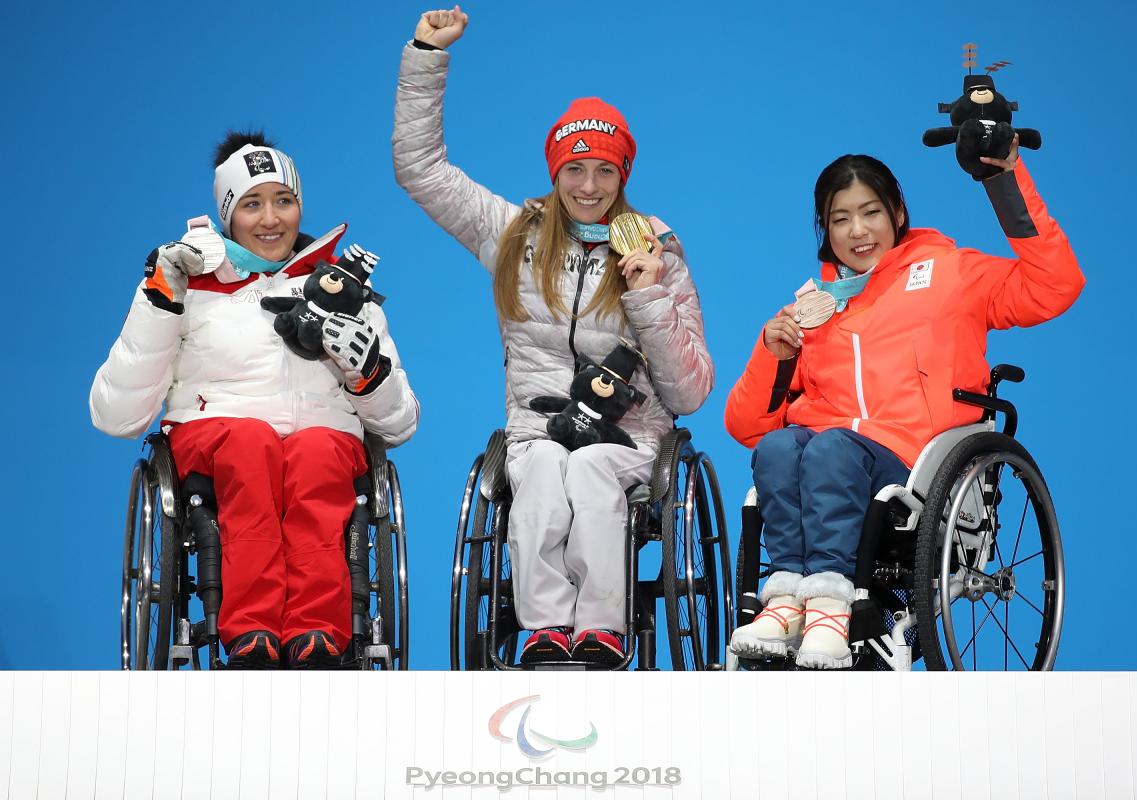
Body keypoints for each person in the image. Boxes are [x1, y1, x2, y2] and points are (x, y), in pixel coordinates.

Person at [392, 7, 712, 666]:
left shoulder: (659, 248)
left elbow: (689, 393)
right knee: (540, 466)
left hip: (630, 437)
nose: (588, 186)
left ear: (624, 176)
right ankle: (542, 629)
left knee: (591, 468)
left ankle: (601, 629)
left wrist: (648, 290)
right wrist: (427, 54)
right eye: (575, 170)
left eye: (604, 171)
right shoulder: (513, 235)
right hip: (538, 427)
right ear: (554, 171)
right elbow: (421, 170)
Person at [724, 140, 1084, 669]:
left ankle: (829, 609)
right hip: (835, 456)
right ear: (825, 230)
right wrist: (771, 352)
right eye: (840, 218)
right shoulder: (811, 311)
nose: (858, 231)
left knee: (830, 452)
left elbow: (1055, 285)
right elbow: (748, 427)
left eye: (870, 212)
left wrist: (1003, 181)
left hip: (913, 465)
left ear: (897, 212)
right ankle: (783, 604)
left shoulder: (950, 273)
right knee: (779, 449)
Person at [90, 131, 419, 669]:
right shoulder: (186, 283)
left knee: (314, 455)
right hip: (218, 432)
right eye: (252, 204)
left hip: (321, 436)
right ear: (227, 215)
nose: (271, 219)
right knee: (251, 442)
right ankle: (253, 632)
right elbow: (115, 414)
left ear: (300, 206)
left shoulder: (342, 292)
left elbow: (400, 423)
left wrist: (367, 373)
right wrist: (161, 296)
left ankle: (317, 632)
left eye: (283, 201)